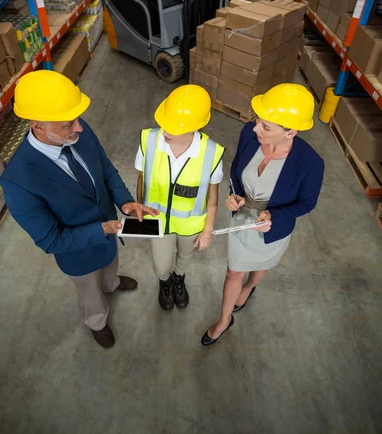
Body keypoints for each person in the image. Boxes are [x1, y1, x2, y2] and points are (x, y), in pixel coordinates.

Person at [0, 70, 158, 349]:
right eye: (67, 124)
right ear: (37, 125)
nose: (79, 127)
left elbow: (106, 171)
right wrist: (104, 228)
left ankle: (112, 284)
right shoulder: (18, 181)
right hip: (78, 255)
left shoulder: (76, 132)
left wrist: (124, 202)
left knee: (110, 267)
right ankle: (97, 322)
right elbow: (51, 240)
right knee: (90, 291)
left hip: (109, 234)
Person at [201, 83, 324, 346]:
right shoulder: (250, 133)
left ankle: (248, 289)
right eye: (258, 120)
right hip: (241, 221)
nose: (256, 127)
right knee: (233, 271)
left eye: (266, 126)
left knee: (262, 265)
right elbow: (236, 169)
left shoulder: (310, 163)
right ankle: (224, 321)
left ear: (291, 131)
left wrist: (274, 217)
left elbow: (307, 203)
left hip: (272, 229)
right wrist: (234, 194)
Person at [135, 85, 225, 310]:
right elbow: (141, 179)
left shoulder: (211, 153)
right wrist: (140, 210)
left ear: (195, 126)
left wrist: (207, 231)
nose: (165, 131)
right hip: (157, 222)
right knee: (161, 263)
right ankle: (165, 282)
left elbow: (212, 199)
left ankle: (179, 279)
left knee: (185, 257)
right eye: (165, 123)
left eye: (173, 127)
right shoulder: (149, 140)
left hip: (190, 224)